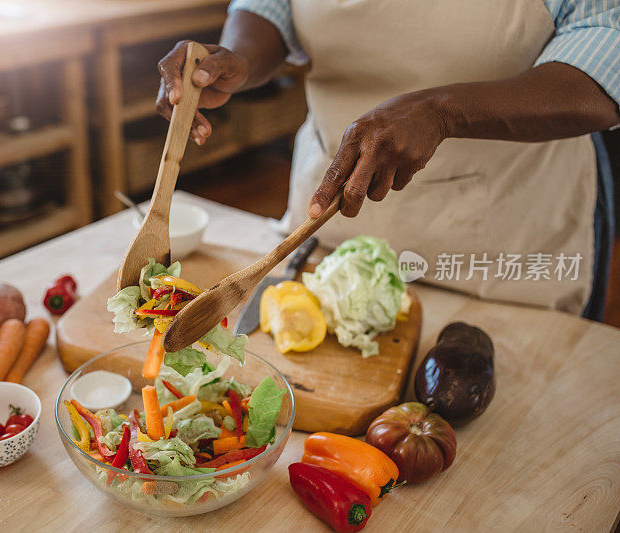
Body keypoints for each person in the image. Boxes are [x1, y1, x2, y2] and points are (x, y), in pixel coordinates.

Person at [155, 0, 620, 320]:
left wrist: (442, 112)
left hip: (507, 245)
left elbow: (606, 48)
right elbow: (270, 7)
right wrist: (238, 60)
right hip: (332, 222)